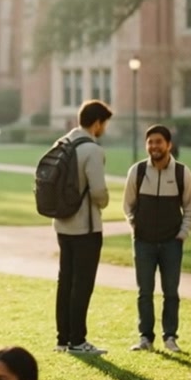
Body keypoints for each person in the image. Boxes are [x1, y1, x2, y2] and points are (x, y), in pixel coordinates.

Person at [123, 124, 191, 352]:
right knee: (144, 292)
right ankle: (145, 338)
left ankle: (170, 337)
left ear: (168, 145)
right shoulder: (138, 171)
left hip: (171, 243)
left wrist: (181, 235)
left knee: (171, 292)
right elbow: (128, 205)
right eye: (150, 142)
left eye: (158, 142)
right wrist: (136, 227)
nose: (154, 146)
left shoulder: (182, 173)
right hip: (143, 242)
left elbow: (190, 209)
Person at [54, 99, 112, 355]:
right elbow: (98, 191)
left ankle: (63, 338)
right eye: (104, 124)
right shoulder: (92, 150)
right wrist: (105, 201)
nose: (104, 129)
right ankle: (78, 340)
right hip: (86, 226)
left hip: (62, 223)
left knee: (65, 280)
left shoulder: (62, 142)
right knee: (83, 283)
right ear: (97, 123)